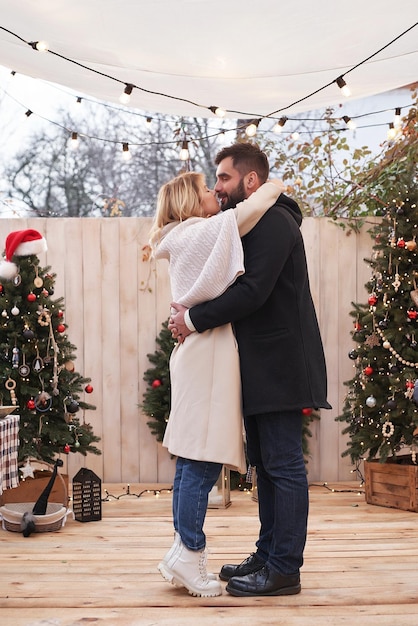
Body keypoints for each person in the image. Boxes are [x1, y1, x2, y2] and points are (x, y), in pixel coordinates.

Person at [169, 142, 331, 597]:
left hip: (281, 364)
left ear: (250, 180)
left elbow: (254, 291)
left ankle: (284, 569)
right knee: (266, 464)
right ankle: (267, 553)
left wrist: (192, 319)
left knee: (283, 466)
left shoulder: (275, 223)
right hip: (258, 365)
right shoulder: (248, 224)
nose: (217, 187)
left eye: (223, 178)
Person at [149, 170, 285, 598]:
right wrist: (276, 185)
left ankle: (181, 552)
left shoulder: (186, 235)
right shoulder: (194, 233)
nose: (214, 193)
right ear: (191, 202)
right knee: (202, 460)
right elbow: (248, 213)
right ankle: (190, 554)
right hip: (205, 355)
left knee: (192, 460)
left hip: (200, 354)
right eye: (207, 188)